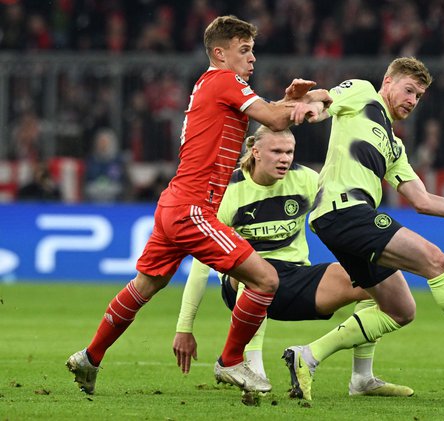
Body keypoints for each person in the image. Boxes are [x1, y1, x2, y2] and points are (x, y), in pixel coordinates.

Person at [66, 15, 329, 395]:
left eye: (253, 50)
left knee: (146, 284)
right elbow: (273, 118)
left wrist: (293, 102)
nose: (252, 58)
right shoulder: (224, 80)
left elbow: (271, 113)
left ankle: (89, 357)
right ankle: (231, 361)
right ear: (219, 53)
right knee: (265, 278)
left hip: (175, 203)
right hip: (193, 208)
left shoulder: (216, 86)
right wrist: (305, 103)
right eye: (244, 50)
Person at [283, 57, 444, 400]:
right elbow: (326, 101)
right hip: (344, 210)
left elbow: (423, 200)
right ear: (388, 81)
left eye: (419, 96)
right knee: (436, 262)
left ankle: (311, 358)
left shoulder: (395, 147)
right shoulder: (362, 93)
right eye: (408, 90)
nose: (412, 100)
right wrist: (309, 103)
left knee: (399, 309)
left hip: (343, 219)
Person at [172, 125, 413, 397]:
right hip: (243, 284)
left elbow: (342, 211)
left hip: (295, 277)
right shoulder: (230, 191)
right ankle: (252, 368)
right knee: (253, 273)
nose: (284, 158)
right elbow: (202, 264)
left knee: (373, 282)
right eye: (276, 151)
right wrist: (184, 328)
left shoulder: (305, 179)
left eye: (289, 151)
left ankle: (362, 378)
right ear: (256, 152)